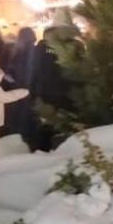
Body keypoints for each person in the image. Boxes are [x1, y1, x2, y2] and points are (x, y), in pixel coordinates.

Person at [29, 22, 77, 151]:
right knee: (51, 126)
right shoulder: (43, 48)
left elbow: (35, 71)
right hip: (55, 94)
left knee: (52, 126)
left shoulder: (42, 47)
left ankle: (44, 153)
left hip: (57, 94)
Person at [4, 27, 37, 140]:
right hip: (29, 87)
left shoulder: (17, 51)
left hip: (18, 87)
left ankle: (18, 136)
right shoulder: (35, 50)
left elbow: (11, 72)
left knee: (19, 115)